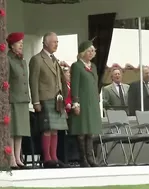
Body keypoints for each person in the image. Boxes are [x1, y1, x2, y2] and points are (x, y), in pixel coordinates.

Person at [29, 32, 69, 168]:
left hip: (57, 100)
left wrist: (65, 96)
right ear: (46, 43)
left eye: (57, 42)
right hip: (44, 98)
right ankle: (47, 158)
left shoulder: (55, 60)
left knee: (55, 129)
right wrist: (35, 101)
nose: (56, 44)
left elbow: (61, 80)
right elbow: (33, 82)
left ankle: (55, 157)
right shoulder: (37, 59)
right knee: (47, 129)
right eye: (54, 42)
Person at [70, 40, 101, 167]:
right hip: (82, 101)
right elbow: (75, 85)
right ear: (83, 52)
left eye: (93, 51)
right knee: (82, 130)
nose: (92, 53)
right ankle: (83, 158)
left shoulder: (93, 66)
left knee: (90, 130)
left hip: (92, 102)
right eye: (89, 50)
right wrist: (75, 102)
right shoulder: (77, 66)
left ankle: (90, 157)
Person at [6, 32, 31, 169]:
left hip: (23, 99)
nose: (21, 45)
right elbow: (7, 80)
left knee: (20, 130)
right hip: (13, 99)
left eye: (22, 43)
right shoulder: (8, 59)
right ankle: (11, 159)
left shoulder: (22, 60)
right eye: (19, 43)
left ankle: (18, 158)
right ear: (12, 45)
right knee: (12, 130)